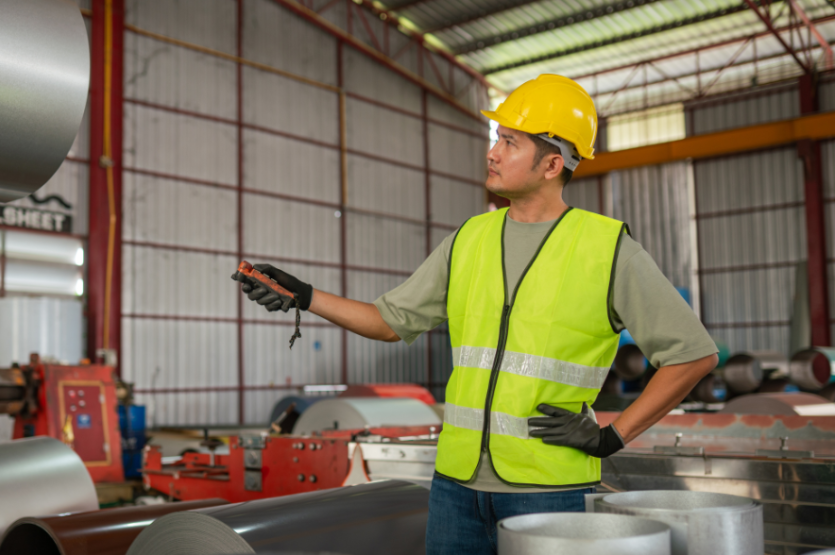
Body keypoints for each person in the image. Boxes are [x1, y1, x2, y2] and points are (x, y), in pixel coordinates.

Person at [232, 74, 718, 554]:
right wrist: (306, 296)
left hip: (550, 490)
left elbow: (692, 355)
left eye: (509, 142)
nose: (492, 153)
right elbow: (388, 321)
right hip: (456, 489)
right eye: (496, 140)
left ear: (552, 163)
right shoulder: (469, 239)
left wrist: (613, 435)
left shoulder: (608, 248)